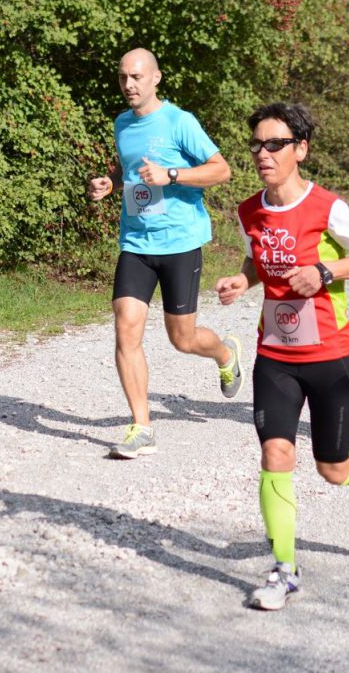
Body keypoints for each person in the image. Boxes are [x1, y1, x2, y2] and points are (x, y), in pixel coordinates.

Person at [216, 102, 349, 611]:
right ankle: (284, 569)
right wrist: (243, 279)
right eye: (257, 143)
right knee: (276, 453)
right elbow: (257, 262)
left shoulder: (327, 207)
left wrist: (325, 272)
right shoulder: (248, 210)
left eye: (275, 143)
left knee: (332, 467)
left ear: (300, 149)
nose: (263, 153)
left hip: (332, 357)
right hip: (274, 355)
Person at [88, 48, 243, 460]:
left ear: (156, 78)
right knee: (126, 326)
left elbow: (221, 170)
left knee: (183, 338)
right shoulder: (122, 123)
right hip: (136, 243)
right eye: (123, 78)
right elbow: (129, 167)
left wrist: (172, 174)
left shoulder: (179, 122)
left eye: (137, 77)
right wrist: (111, 181)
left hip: (180, 242)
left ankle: (225, 353)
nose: (129, 85)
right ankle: (142, 427)